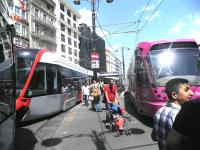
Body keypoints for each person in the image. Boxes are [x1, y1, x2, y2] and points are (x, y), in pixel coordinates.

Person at [151, 78, 194, 150]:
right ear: (174, 95)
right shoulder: (181, 115)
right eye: (186, 90)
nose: (192, 93)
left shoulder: (159, 111)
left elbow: (154, 137)